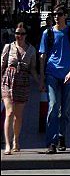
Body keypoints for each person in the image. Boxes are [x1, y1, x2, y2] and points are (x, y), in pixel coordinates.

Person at [39, 5, 70, 154]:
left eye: (60, 14)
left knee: (64, 111)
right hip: (51, 72)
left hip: (67, 75)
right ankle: (51, 142)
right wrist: (41, 77)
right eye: (55, 14)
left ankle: (62, 137)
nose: (57, 16)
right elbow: (43, 56)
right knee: (53, 106)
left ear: (65, 16)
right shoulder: (48, 33)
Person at [1, 23, 42, 154]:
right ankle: (7, 144)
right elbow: (1, 66)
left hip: (23, 81)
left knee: (18, 116)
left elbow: (33, 69)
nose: (20, 36)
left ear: (26, 35)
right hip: (8, 80)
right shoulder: (8, 47)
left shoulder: (31, 50)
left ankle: (16, 140)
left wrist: (40, 83)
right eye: (18, 33)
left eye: (22, 34)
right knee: (9, 112)